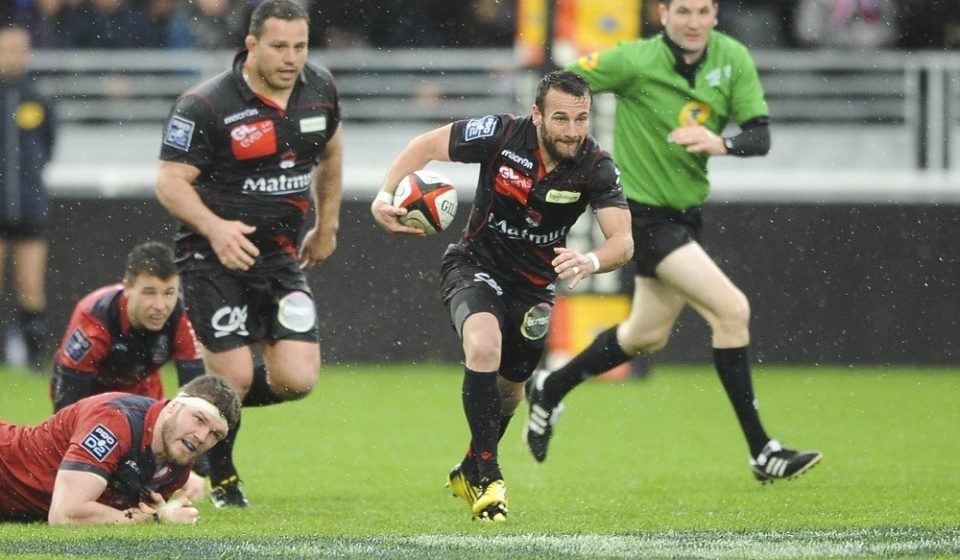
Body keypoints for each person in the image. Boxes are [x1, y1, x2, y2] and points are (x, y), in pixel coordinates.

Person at [522, 0, 823, 485]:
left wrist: (719, 143)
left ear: (716, 14)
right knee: (733, 311)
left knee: (646, 335)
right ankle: (762, 450)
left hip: (685, 215)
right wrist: (566, 152)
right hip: (641, 216)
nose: (693, 21)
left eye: (703, 11)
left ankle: (550, 386)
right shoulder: (634, 60)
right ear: (662, 14)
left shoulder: (733, 59)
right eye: (683, 10)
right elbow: (556, 90)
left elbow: (760, 136)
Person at [371, 70, 633, 522]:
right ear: (536, 115)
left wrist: (590, 261)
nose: (572, 131)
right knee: (483, 344)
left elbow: (622, 242)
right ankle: (489, 476)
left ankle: (472, 463)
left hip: (534, 288)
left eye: (581, 119)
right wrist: (383, 194)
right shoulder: (500, 133)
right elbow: (426, 146)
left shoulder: (596, 165)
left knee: (511, 391)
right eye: (561, 119)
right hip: (475, 266)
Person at [156, 0, 342, 508]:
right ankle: (222, 475)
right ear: (252, 45)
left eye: (300, 46)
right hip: (212, 256)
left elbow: (331, 153)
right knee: (233, 376)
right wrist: (215, 229)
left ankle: (191, 403)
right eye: (280, 46)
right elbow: (170, 183)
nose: (291, 58)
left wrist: (328, 224)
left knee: (297, 380)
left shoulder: (320, 89)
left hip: (280, 255)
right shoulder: (206, 104)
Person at [0, 374, 240, 525]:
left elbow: (119, 511)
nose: (201, 437)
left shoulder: (179, 460)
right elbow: (65, 514)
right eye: (198, 419)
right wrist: (156, 520)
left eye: (215, 434)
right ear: (173, 407)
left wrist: (159, 510)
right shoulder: (115, 422)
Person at [50, 241, 204, 412]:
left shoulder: (183, 317)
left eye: (169, 293)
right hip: (90, 395)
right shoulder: (94, 319)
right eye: (150, 293)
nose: (161, 306)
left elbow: (194, 394)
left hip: (144, 392)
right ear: (128, 287)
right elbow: (69, 398)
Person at [0, 24, 57, 372]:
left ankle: (36, 357)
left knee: (30, 284)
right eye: (6, 49)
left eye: (19, 49)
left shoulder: (38, 97)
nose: (13, 56)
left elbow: (48, 145)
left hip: (30, 206)